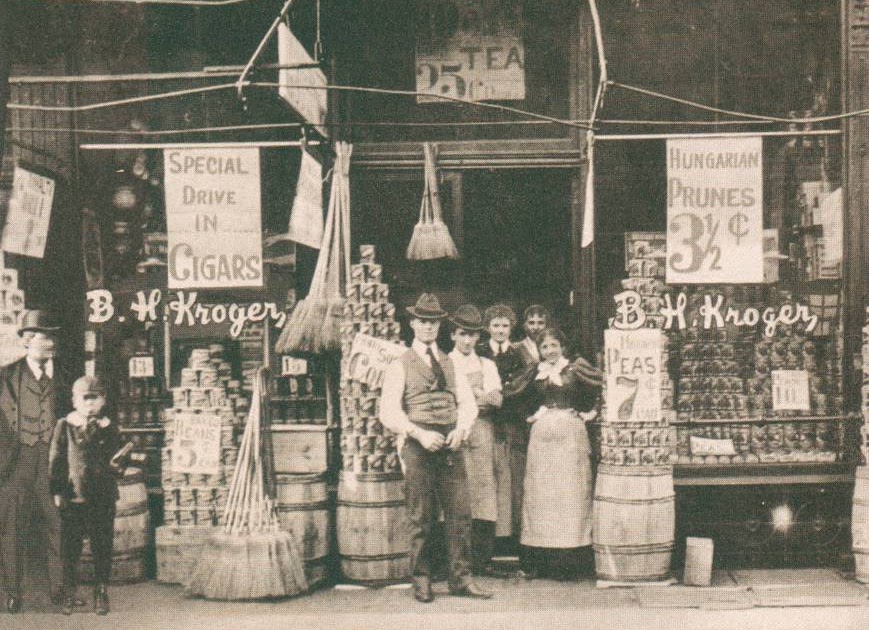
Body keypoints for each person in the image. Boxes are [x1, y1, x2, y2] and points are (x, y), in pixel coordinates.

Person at [380, 293, 491, 603]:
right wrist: (417, 433)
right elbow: (388, 411)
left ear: (440, 326)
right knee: (421, 515)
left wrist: (462, 429)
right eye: (423, 322)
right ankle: (422, 579)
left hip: (450, 445)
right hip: (418, 445)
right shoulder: (400, 364)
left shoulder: (451, 362)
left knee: (460, 514)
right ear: (413, 324)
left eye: (433, 322)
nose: (428, 327)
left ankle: (461, 579)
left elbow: (467, 404)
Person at [0, 309, 73, 613]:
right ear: (29, 340)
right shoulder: (6, 375)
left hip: (52, 462)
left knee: (57, 525)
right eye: (46, 337)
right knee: (12, 529)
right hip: (15, 463)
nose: (52, 342)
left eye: (53, 336)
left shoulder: (66, 375)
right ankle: (13, 593)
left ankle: (58, 592)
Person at [520, 328, 602, 580]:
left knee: (570, 495)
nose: (550, 351)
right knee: (542, 497)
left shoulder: (575, 368)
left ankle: (571, 563)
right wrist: (532, 414)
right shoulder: (536, 371)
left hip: (570, 438)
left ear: (563, 346)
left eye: (554, 345)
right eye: (544, 347)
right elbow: (515, 394)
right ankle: (540, 561)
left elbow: (605, 385)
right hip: (542, 442)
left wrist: (590, 413)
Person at [50, 376, 129, 615]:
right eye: (84, 399)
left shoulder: (110, 427)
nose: (90, 405)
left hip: (102, 497)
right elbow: (56, 460)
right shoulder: (65, 425)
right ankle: (69, 591)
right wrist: (57, 490)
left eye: (95, 399)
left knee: (102, 546)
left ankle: (101, 592)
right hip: (74, 497)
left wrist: (119, 466)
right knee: (70, 548)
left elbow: (120, 458)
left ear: (103, 401)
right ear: (74, 401)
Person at [447, 305, 504, 575]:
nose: (467, 341)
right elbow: (447, 401)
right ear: (453, 336)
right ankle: (455, 561)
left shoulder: (487, 364)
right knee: (457, 493)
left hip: (482, 430)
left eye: (472, 335)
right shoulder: (445, 363)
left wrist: (472, 396)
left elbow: (496, 400)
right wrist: (478, 394)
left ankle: (481, 560)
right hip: (455, 430)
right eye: (462, 334)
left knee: (483, 492)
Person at [477, 305, 535, 550]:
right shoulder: (479, 352)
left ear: (511, 328)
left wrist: (501, 397)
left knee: (511, 478)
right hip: (486, 421)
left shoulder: (520, 353)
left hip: (511, 422)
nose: (500, 330)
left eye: (505, 326)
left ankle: (510, 537)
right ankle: (488, 537)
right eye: (495, 326)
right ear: (488, 328)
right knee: (486, 479)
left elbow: (525, 384)